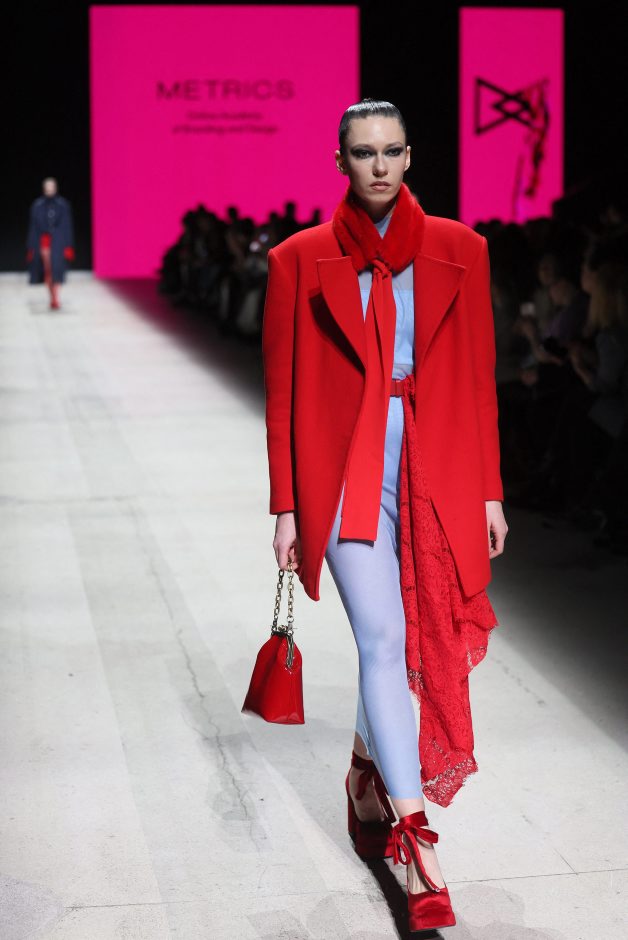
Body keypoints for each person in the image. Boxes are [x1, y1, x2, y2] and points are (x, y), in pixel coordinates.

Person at [261, 99, 508, 932]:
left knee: (413, 639)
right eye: (362, 152)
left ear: (409, 156)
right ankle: (416, 841)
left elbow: (478, 377)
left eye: (390, 151)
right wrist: (288, 507)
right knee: (382, 637)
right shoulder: (299, 259)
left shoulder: (461, 249)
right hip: (345, 474)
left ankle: (365, 773)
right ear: (340, 160)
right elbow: (282, 396)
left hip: (437, 471)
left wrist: (490, 491)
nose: (377, 165)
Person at [26, 177, 75, 309]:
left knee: (57, 269)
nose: (49, 189)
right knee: (48, 269)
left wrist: (69, 245)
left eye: (51, 186)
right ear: (44, 188)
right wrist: (30, 247)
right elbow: (33, 227)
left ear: (55, 188)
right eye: (47, 187)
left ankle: (55, 296)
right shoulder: (37, 205)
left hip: (58, 242)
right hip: (43, 241)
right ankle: (53, 296)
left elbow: (67, 226)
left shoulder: (63, 205)